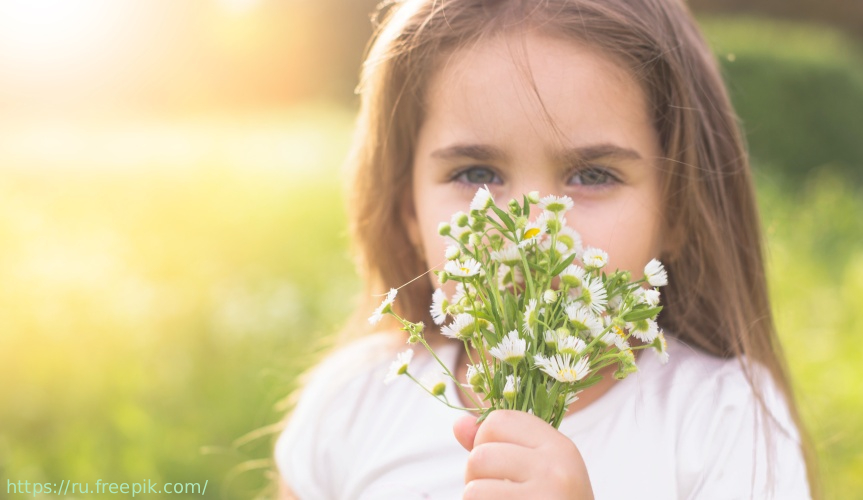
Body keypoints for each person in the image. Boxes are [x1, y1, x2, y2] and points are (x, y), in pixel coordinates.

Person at [274, 0, 816, 498]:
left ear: (677, 210)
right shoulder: (352, 407)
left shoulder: (721, 420)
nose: (531, 232)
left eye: (593, 175)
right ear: (408, 212)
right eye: (476, 174)